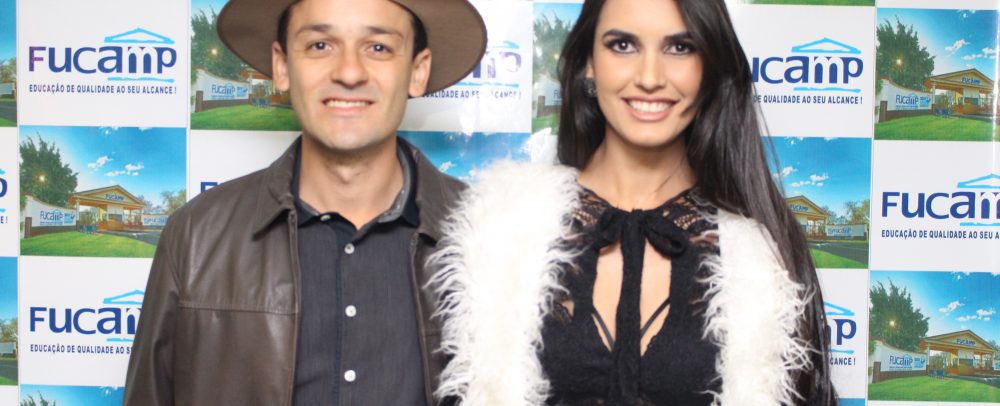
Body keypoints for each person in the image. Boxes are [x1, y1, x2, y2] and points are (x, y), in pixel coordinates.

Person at [428, 0, 837, 404]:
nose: (649, 77)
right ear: (589, 63)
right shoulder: (503, 233)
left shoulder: (760, 258)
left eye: (680, 47)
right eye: (623, 45)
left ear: (710, 65)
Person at [123, 0, 486, 404]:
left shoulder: (492, 238)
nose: (349, 72)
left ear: (417, 71)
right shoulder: (195, 236)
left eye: (378, 47)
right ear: (282, 66)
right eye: (320, 45)